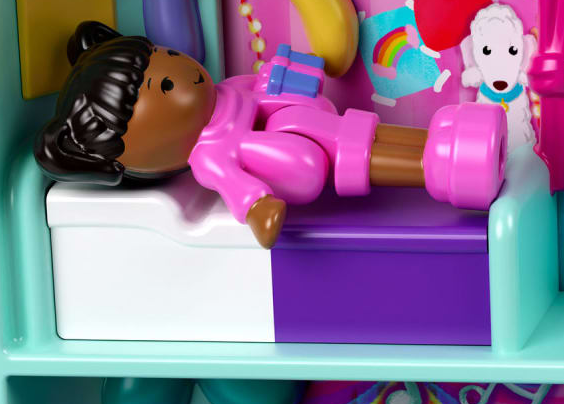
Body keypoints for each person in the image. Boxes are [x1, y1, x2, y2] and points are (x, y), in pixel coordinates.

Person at [34, 20, 486, 247]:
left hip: (327, 123)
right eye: (164, 86)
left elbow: (260, 86)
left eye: (166, 56)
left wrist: (279, 75)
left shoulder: (227, 89)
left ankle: (445, 138)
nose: (180, 72)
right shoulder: (207, 156)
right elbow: (236, 187)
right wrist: (259, 209)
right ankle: (444, 170)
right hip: (311, 156)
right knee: (381, 158)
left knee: (377, 134)